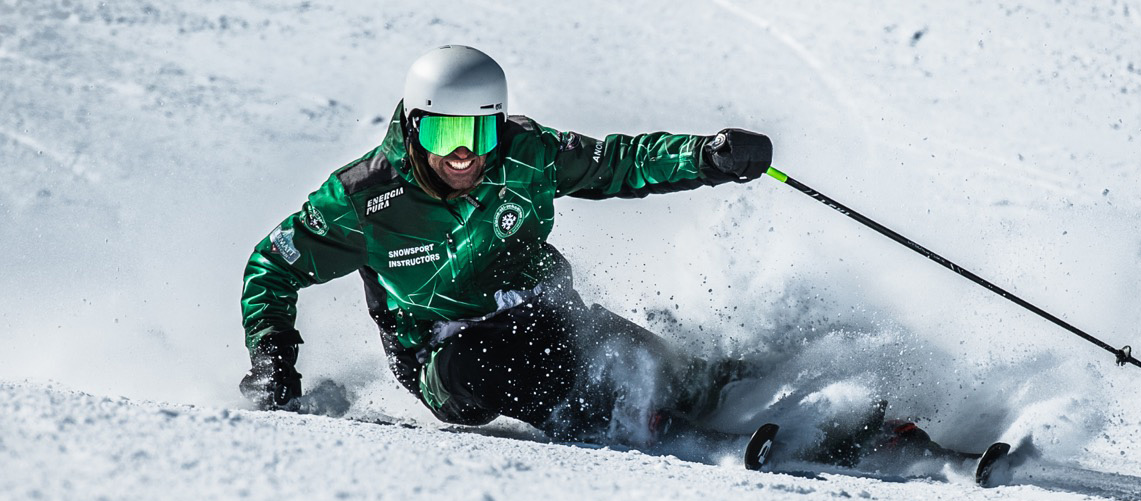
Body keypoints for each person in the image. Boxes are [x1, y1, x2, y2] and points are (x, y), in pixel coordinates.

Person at [238, 45, 771, 444]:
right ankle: (607, 420)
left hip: (541, 313)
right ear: (414, 126)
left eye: (483, 133)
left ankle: (723, 392)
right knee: (490, 364)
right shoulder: (363, 200)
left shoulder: (526, 154)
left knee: (634, 358)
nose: (466, 154)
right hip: (443, 354)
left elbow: (619, 162)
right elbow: (272, 265)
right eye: (446, 135)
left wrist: (707, 156)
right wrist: (272, 358)